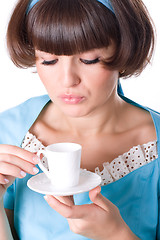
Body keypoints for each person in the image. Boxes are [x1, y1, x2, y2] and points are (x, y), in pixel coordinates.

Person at [0, 0, 159, 239]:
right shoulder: (10, 131)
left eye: (89, 60)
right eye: (49, 61)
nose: (67, 80)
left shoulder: (153, 144)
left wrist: (117, 234)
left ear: (124, 49)